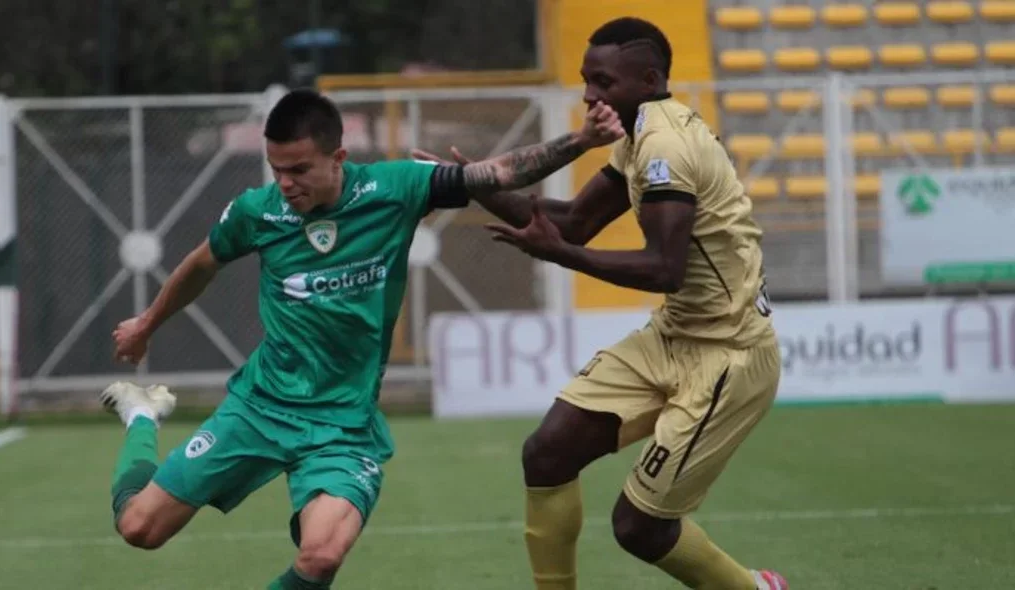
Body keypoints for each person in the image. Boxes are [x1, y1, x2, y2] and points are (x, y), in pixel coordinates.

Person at [100, 87, 624, 589]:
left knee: (322, 554)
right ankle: (143, 415)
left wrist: (581, 140)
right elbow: (201, 263)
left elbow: (497, 172)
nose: (285, 183)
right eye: (276, 169)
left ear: (338, 158)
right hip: (260, 407)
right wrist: (147, 323)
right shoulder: (257, 211)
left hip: (343, 427)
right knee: (139, 528)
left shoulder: (395, 188)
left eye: (299, 169)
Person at [415, 16, 788, 590]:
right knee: (547, 453)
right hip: (673, 335)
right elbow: (573, 221)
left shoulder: (667, 145)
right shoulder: (639, 135)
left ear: (649, 80)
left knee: (639, 529)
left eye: (604, 82)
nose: (589, 94)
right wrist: (472, 184)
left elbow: (663, 267)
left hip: (728, 357)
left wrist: (560, 256)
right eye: (588, 80)